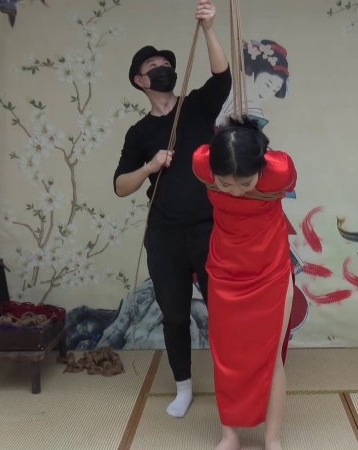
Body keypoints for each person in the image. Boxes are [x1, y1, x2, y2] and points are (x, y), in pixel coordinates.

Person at [112, 0, 229, 418]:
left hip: (209, 228)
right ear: (140, 80)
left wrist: (209, 29)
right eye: (154, 65)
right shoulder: (139, 132)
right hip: (164, 235)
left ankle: (233, 385)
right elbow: (120, 186)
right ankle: (183, 388)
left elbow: (222, 76)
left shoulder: (195, 106)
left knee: (224, 311)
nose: (163, 68)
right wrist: (149, 166)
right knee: (175, 314)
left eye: (167, 64)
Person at [192, 117, 297, 450]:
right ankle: (230, 435)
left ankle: (272, 438)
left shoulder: (278, 171)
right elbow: (209, 152)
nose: (235, 191)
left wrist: (249, 141)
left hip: (270, 273)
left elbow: (271, 158)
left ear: (261, 168)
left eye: (245, 183)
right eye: (225, 184)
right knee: (226, 357)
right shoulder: (203, 163)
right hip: (224, 274)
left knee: (270, 357)